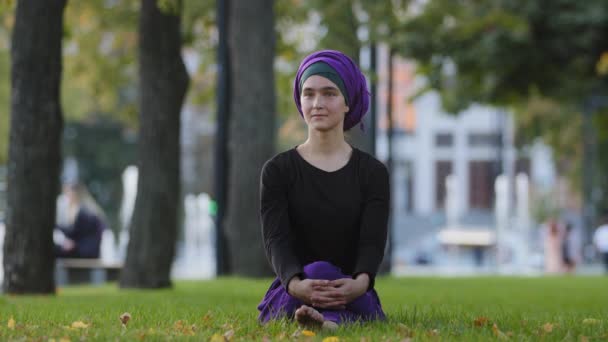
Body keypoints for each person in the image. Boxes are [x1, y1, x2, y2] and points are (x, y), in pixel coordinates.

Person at [257, 50, 390, 330]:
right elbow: (276, 240)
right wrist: (296, 284)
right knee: (318, 271)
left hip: (351, 290)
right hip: (295, 288)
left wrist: (360, 283)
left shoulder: (372, 173)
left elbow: (372, 241)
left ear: (347, 103)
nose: (317, 103)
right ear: (300, 100)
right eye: (309, 94)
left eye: (329, 93)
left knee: (336, 282)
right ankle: (334, 324)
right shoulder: (278, 171)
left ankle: (324, 322)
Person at [54, 182, 106, 259]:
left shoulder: (84, 212)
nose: (66, 197)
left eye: (68, 193)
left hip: (85, 252)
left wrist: (56, 227)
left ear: (74, 194)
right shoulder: (88, 209)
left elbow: (74, 232)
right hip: (88, 250)